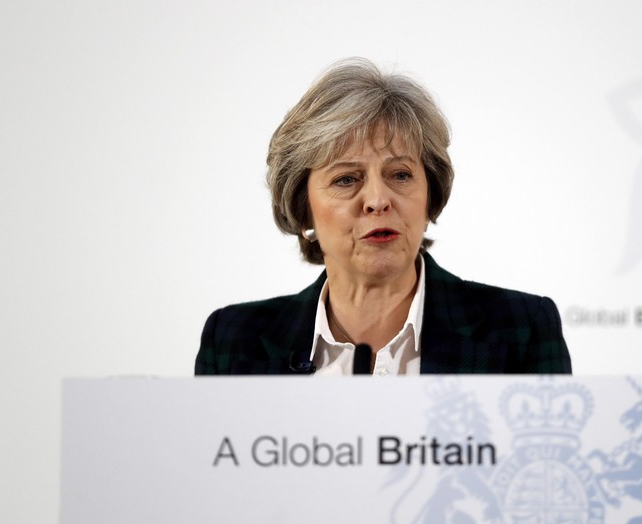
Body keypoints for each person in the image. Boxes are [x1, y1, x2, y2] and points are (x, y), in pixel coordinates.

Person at [195, 58, 571, 376]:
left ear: (430, 195)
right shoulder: (233, 340)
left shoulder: (521, 329)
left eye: (400, 175)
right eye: (346, 179)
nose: (377, 199)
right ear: (302, 205)